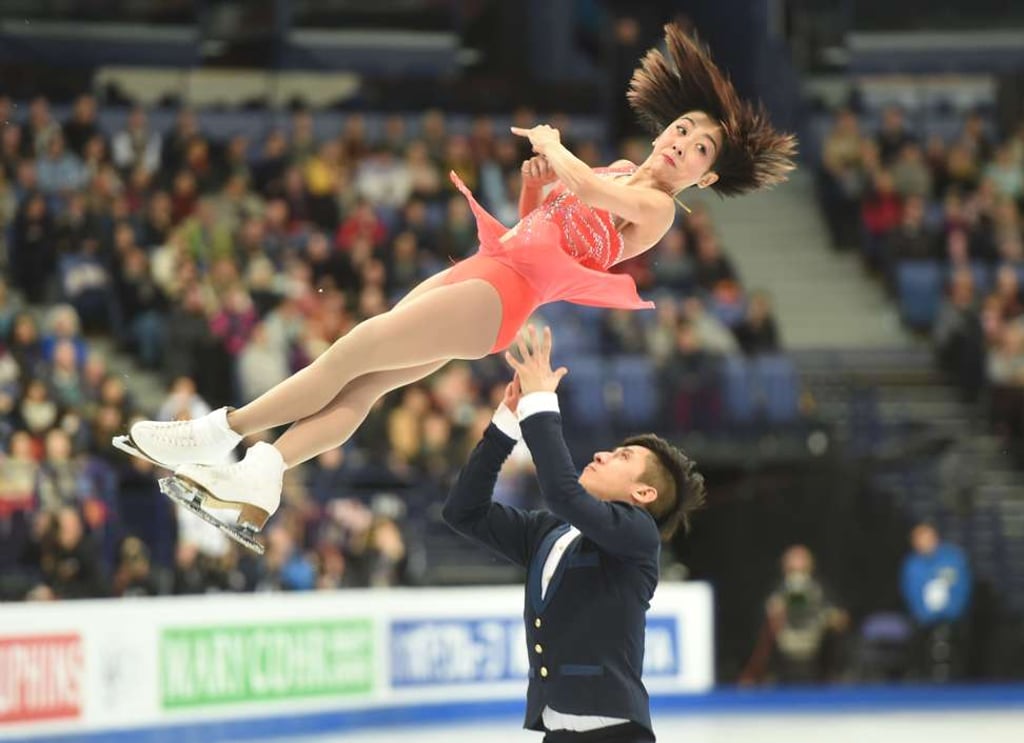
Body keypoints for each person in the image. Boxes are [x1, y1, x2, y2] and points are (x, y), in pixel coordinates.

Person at [115, 24, 793, 539]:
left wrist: (557, 153)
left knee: (354, 349)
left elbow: (580, 194)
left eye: (700, 148)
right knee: (368, 381)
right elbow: (550, 229)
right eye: (683, 129)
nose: (682, 143)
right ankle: (263, 474)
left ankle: (220, 432)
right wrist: (535, 189)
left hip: (502, 297)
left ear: (705, 176)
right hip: (490, 267)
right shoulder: (620, 167)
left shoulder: (656, 209)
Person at [444, 325, 705, 742]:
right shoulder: (548, 533)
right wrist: (504, 426)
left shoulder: (638, 536)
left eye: (622, 456)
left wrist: (542, 401)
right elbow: (464, 512)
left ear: (643, 492)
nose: (602, 454)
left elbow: (563, 493)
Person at [900, 523, 972, 681]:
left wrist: (950, 613)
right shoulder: (912, 564)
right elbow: (910, 593)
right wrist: (925, 615)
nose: (923, 543)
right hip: (923, 619)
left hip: (953, 617)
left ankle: (958, 678)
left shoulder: (952, 558)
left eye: (926, 538)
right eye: (918, 540)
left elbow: (962, 588)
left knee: (957, 642)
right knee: (918, 642)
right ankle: (920, 676)